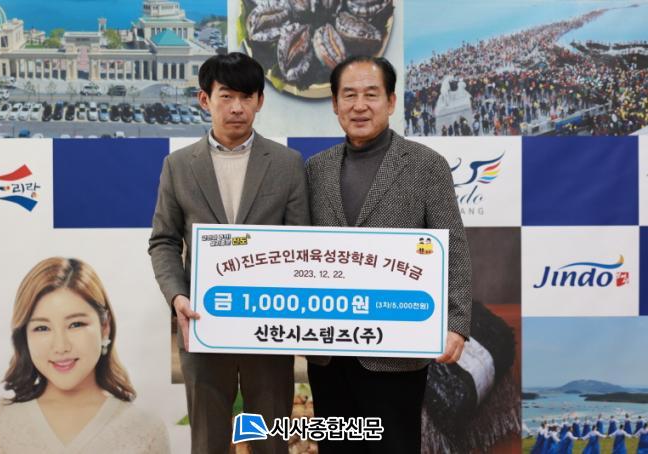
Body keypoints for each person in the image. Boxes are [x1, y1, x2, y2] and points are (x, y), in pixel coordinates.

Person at [305, 55, 472, 453]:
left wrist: (456, 323)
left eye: (371, 94)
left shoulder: (426, 166)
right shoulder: (314, 169)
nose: (359, 106)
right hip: (329, 353)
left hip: (396, 349)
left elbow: (454, 248)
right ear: (334, 104)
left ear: (392, 101)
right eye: (349, 95)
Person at [148, 52, 310, 454]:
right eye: (226, 96)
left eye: (246, 97)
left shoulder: (287, 164)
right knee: (207, 441)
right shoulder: (178, 166)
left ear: (260, 101)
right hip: (204, 324)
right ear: (205, 100)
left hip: (268, 328)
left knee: (270, 442)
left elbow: (301, 243)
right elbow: (164, 240)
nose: (237, 107)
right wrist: (177, 296)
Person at [0, 257, 169, 454]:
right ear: (25, 336)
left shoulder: (145, 430)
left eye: (75, 324)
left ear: (104, 327)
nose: (61, 346)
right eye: (42, 328)